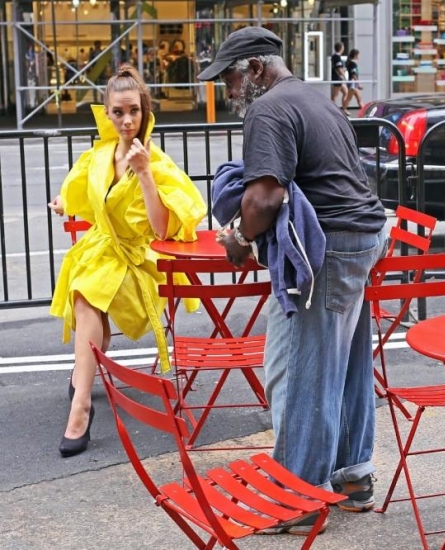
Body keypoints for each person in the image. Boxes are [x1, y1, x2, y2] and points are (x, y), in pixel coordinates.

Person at [196, 26, 387, 535]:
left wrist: (237, 234)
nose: (229, 93)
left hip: (333, 245)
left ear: (256, 68)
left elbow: (263, 198)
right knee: (343, 365)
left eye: (231, 80)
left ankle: (298, 499)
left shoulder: (269, 108)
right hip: (361, 237)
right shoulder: (315, 99)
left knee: (300, 372)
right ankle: (351, 477)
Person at [47, 65, 207, 458]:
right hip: (101, 253)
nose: (126, 120)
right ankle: (83, 386)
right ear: (107, 112)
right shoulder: (99, 155)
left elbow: (163, 229)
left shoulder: (156, 160)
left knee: (86, 296)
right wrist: (63, 202)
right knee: (89, 298)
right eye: (118, 112)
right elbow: (79, 188)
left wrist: (145, 174)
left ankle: (80, 402)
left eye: (133, 110)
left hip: (139, 260)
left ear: (145, 110)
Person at [330, 41, 347, 108]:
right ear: (340, 48)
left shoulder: (335, 56)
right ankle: (332, 108)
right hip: (337, 78)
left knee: (346, 92)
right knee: (335, 95)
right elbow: (339, 68)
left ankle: (344, 109)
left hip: (339, 78)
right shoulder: (337, 57)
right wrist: (344, 76)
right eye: (343, 47)